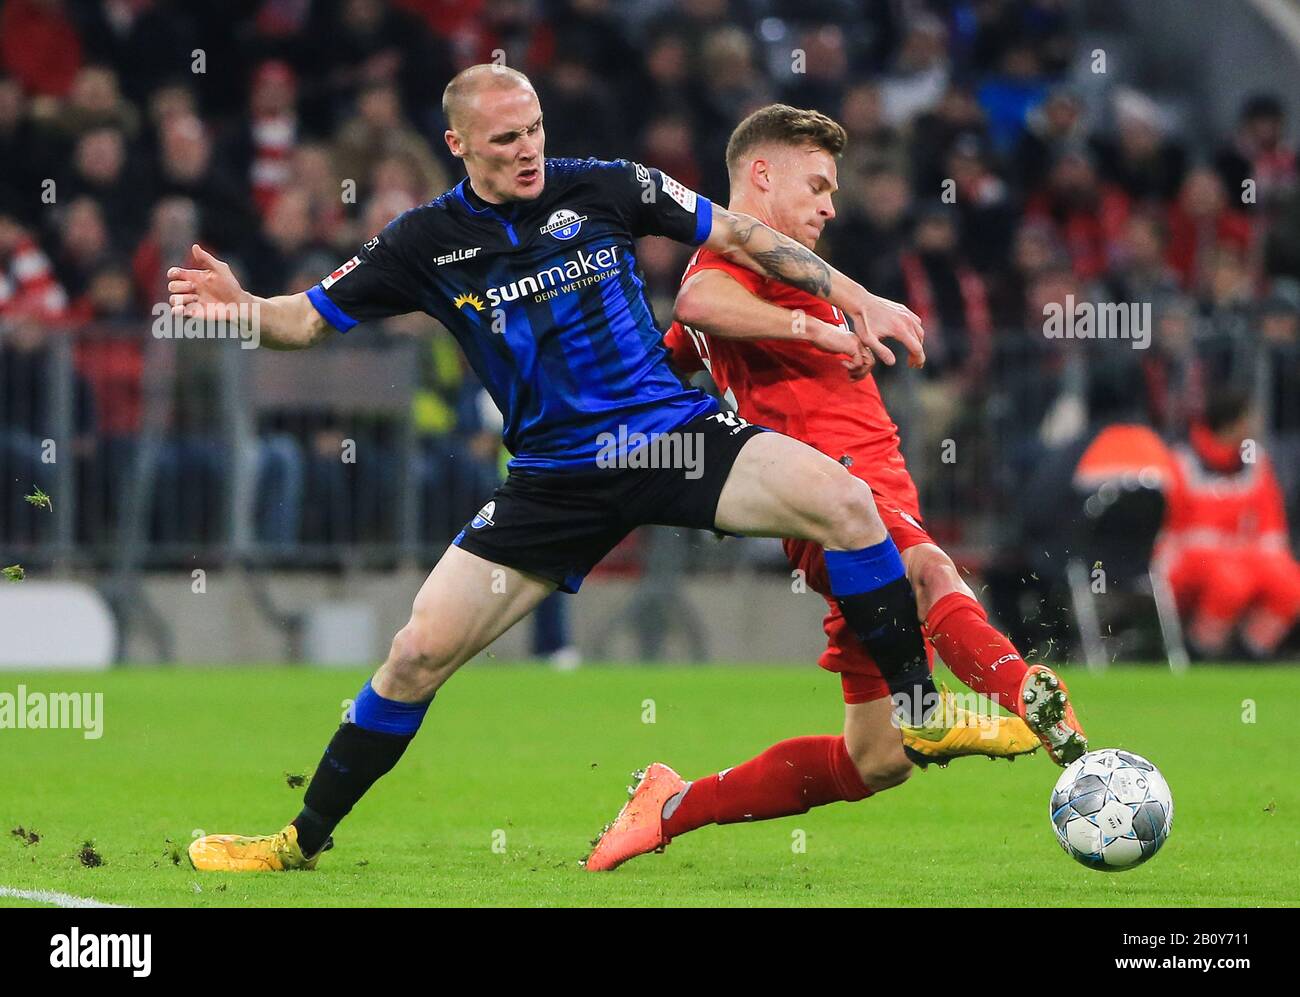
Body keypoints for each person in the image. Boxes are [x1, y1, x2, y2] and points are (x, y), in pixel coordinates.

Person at [175, 65, 954, 873]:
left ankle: (919, 708)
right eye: (506, 138)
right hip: (554, 480)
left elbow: (742, 236)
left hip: (667, 439)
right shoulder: (424, 242)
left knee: (847, 501)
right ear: (459, 145)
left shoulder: (609, 187)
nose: (528, 149)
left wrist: (855, 297)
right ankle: (298, 840)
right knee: (415, 652)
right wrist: (244, 309)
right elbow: (302, 321)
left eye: (536, 128)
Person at [583, 104, 1088, 873]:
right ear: (760, 175)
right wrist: (817, 331)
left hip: (877, 490)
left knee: (875, 757)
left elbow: (677, 352)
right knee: (929, 573)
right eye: (816, 184)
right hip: (834, 497)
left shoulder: (781, 271)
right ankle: (1033, 698)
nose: (829, 204)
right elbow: (695, 303)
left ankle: (673, 802)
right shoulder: (736, 261)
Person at [1156, 388, 1300, 658]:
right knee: (1231, 581)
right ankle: (1201, 651)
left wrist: (1272, 558)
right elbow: (1171, 530)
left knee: (1292, 583)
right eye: (1250, 417)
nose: (1255, 424)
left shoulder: (1255, 461)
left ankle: (1251, 652)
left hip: (1245, 555)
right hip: (1189, 559)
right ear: (1234, 422)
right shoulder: (1182, 462)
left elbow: (1271, 526)